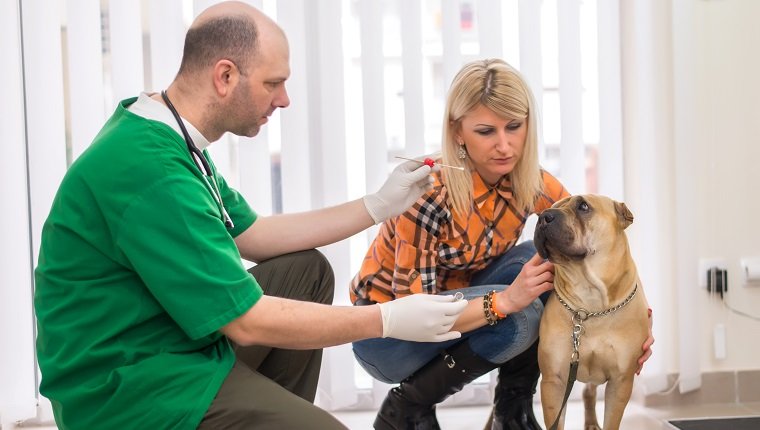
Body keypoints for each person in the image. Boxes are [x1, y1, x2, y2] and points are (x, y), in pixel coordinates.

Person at [33, 2, 469, 429]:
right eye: (273, 83)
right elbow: (246, 322)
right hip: (125, 386)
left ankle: (259, 412)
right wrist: (385, 320)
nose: (284, 100)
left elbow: (255, 233)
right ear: (225, 76)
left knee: (307, 272)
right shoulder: (151, 169)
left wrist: (376, 205)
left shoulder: (170, 135)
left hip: (168, 342)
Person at [350, 58, 654, 430]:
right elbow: (417, 313)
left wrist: (635, 322)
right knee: (524, 314)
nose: (505, 145)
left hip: (464, 310)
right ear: (457, 131)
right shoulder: (428, 195)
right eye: (485, 131)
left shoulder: (530, 182)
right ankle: (407, 406)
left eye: (514, 126)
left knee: (544, 255)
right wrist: (507, 300)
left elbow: (596, 243)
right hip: (389, 335)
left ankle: (511, 411)